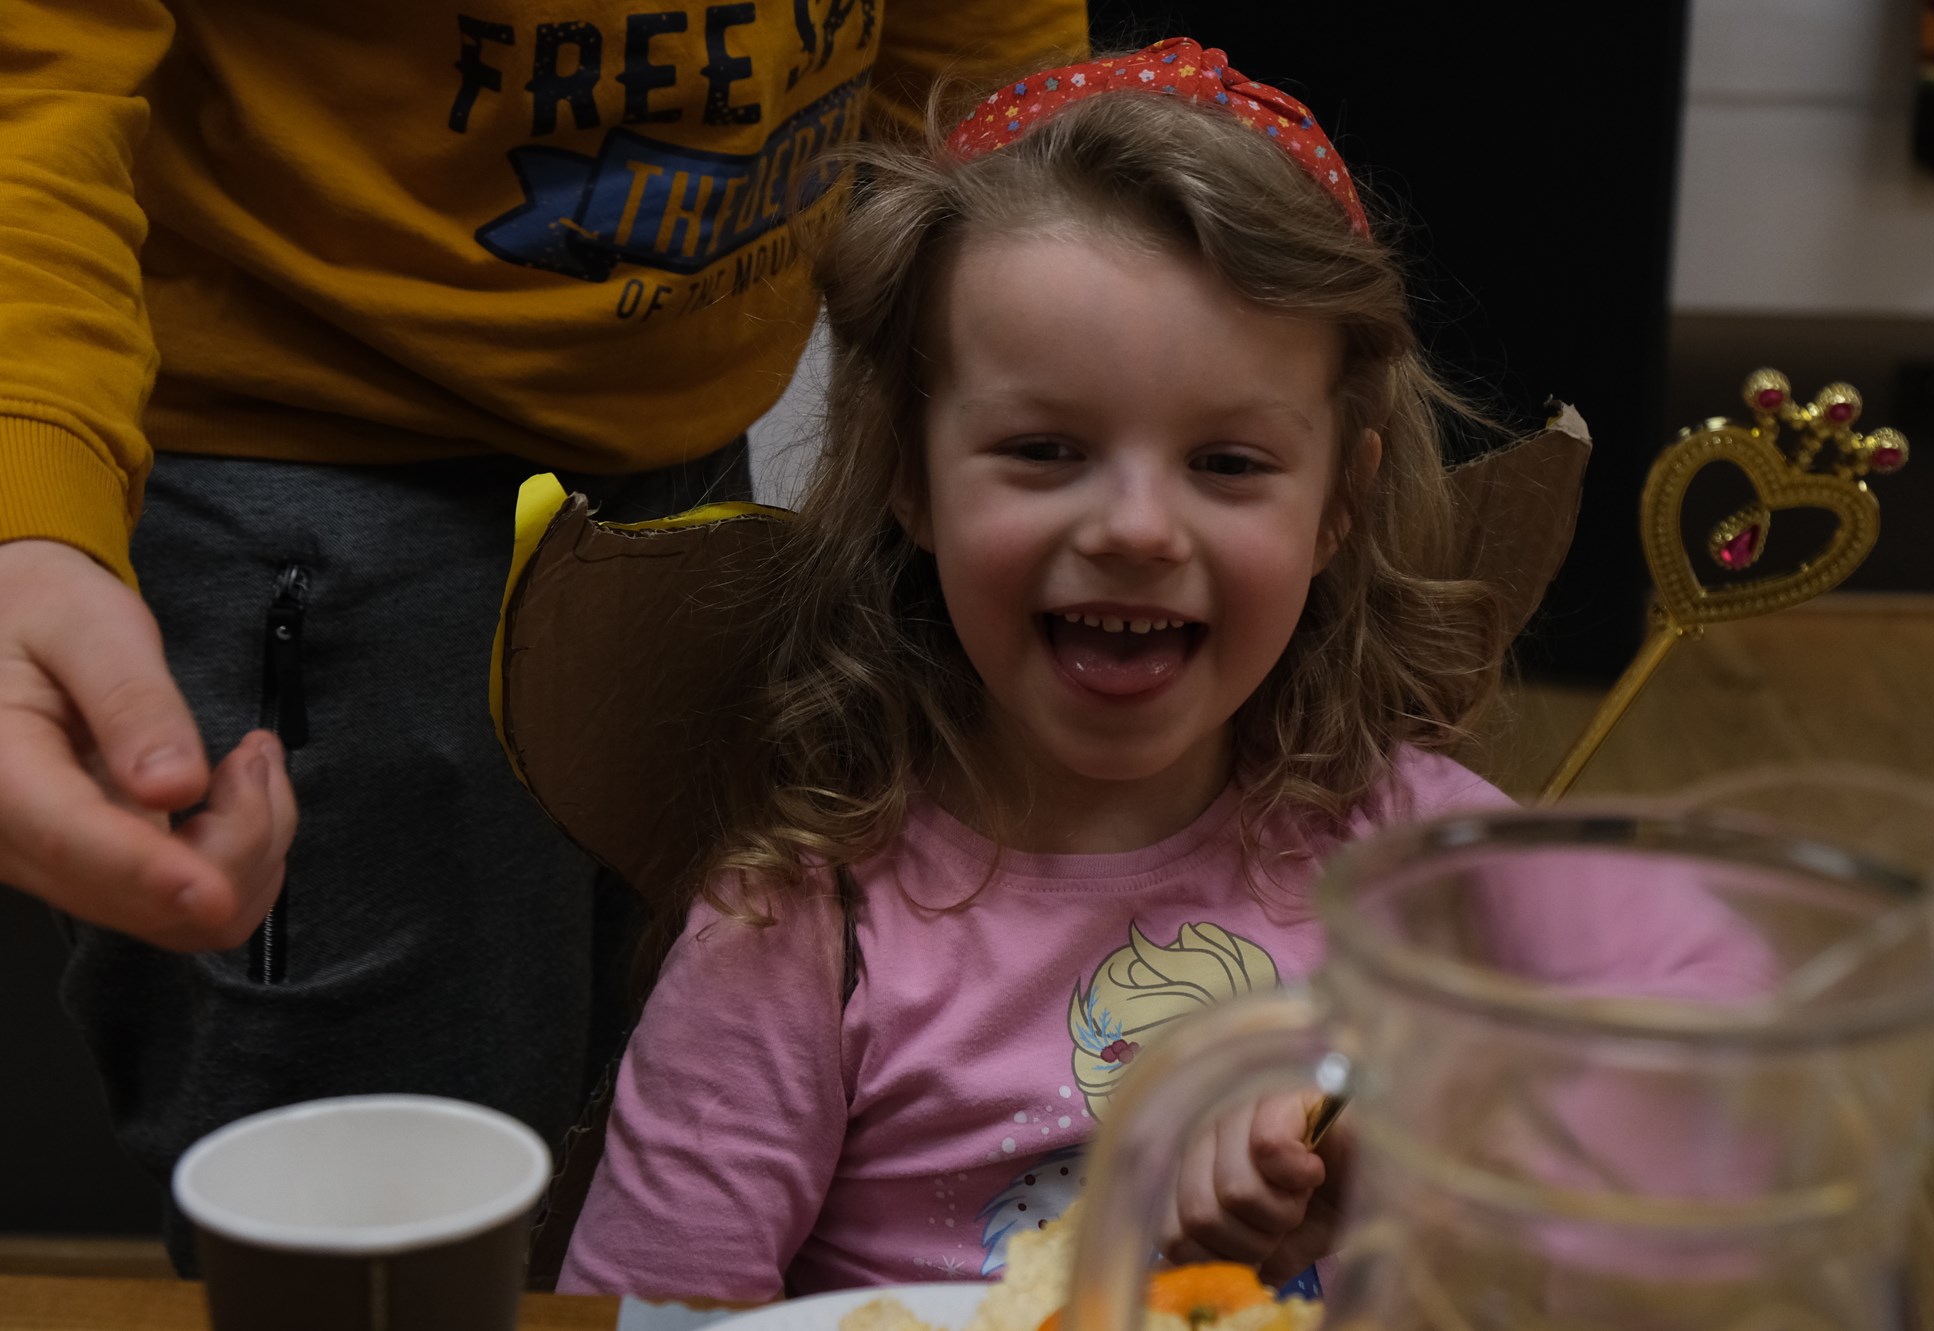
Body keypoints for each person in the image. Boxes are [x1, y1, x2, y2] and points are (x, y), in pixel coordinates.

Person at [0, 0, 1087, 1270]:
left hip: (682, 456)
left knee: (657, 1113)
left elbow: (971, 73)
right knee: (388, 1228)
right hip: (312, 467)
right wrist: (30, 502)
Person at [552, 37, 1506, 1301]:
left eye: (1226, 463)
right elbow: (647, 1315)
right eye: (1045, 449)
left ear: (1341, 500)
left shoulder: (1432, 872)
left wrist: (1393, 1139)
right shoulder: (799, 934)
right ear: (909, 473)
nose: (1135, 529)